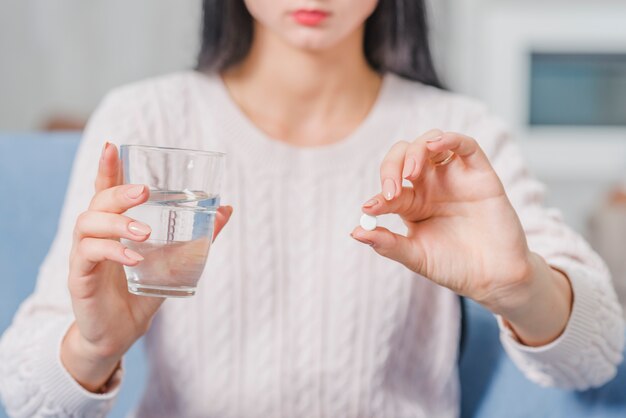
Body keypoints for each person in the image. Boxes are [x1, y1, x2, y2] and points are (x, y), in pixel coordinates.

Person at [0, 1, 624, 417]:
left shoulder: (454, 133)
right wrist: (91, 346)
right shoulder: (145, 119)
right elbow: (23, 394)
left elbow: (594, 357)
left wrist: (520, 287)